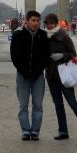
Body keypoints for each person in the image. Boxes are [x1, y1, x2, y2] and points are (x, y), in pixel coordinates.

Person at [44, 13, 77, 141]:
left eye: (50, 23)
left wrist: (62, 56)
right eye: (47, 23)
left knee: (72, 102)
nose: (48, 25)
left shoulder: (64, 36)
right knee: (58, 104)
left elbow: (73, 54)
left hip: (64, 75)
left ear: (56, 23)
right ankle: (63, 131)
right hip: (51, 75)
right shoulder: (44, 37)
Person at [10, 10, 50, 141]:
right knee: (23, 105)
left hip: (38, 76)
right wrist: (25, 71)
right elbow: (14, 57)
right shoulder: (18, 35)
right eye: (33, 20)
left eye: (38, 21)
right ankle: (25, 130)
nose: (36, 23)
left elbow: (45, 57)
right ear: (26, 20)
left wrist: (37, 71)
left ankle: (35, 131)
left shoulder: (43, 35)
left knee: (38, 105)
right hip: (23, 75)